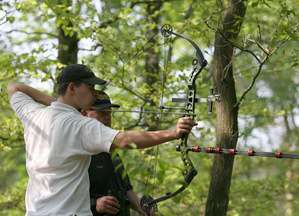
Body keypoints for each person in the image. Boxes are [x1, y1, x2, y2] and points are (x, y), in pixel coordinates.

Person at [7, 64, 195, 216]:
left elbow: (14, 88)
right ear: (72, 87)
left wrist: (57, 104)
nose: (93, 93)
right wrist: (172, 133)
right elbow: (124, 140)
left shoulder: (34, 115)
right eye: (89, 87)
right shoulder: (80, 125)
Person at [83, 91, 147, 215]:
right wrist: (94, 203)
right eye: (102, 113)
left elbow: (127, 190)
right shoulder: (78, 151)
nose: (107, 117)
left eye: (109, 113)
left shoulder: (111, 151)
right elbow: (64, 194)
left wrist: (142, 208)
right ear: (85, 114)